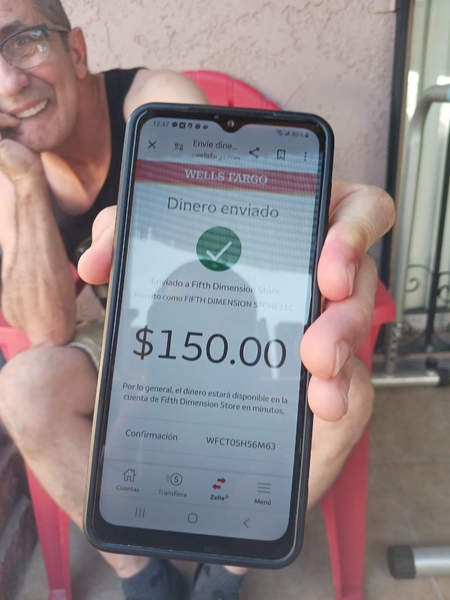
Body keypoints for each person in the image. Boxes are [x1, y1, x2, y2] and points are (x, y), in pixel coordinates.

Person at [0, 0, 395, 598]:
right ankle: (142, 572)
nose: (9, 83)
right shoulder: (11, 167)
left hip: (216, 321)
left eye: (24, 41)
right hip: (119, 336)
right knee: (22, 388)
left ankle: (226, 567)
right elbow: (47, 329)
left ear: (75, 51)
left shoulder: (152, 102)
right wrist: (26, 180)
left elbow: (206, 197)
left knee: (351, 395)